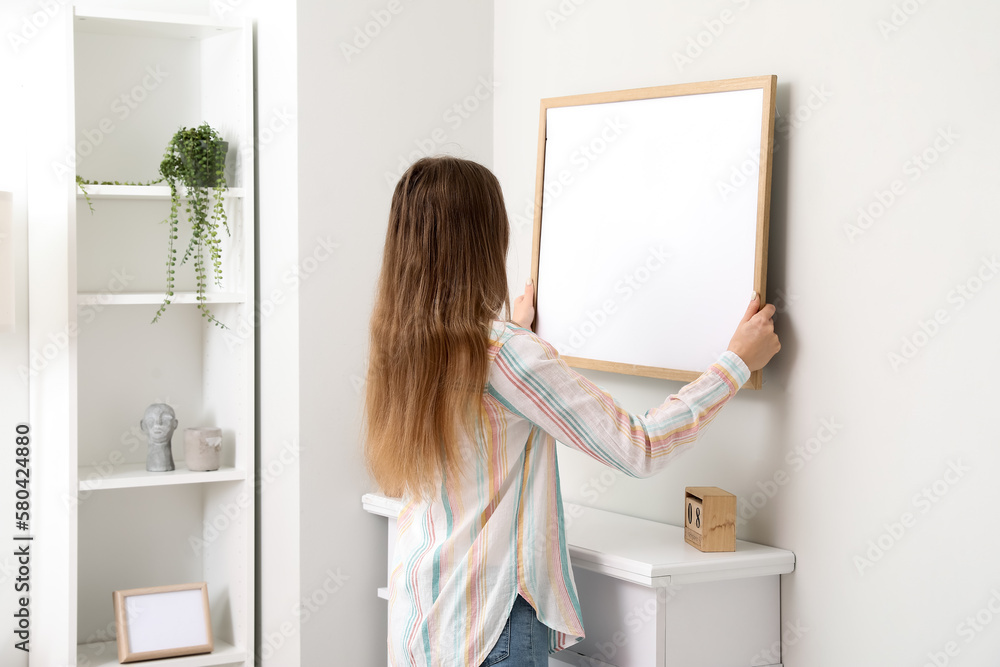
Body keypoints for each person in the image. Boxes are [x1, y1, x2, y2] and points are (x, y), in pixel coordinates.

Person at [364, 156, 780, 667]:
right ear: (483, 241)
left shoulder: (403, 346)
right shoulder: (504, 355)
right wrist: (735, 364)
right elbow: (640, 447)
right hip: (487, 628)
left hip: (422, 617)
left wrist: (514, 332)